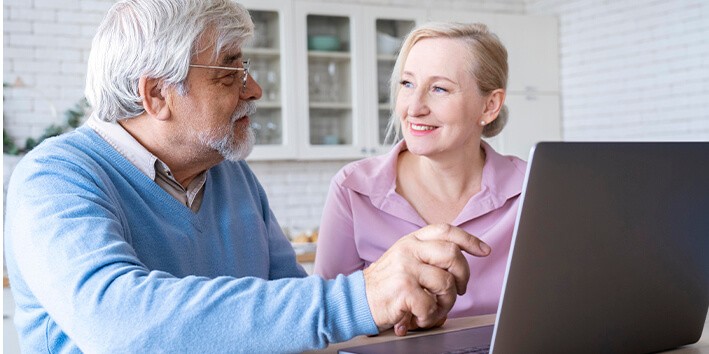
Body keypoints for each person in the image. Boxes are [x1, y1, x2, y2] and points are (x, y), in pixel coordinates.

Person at [3, 3, 493, 353]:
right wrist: (361, 296)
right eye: (228, 72)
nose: (253, 89)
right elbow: (118, 325)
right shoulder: (55, 178)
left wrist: (399, 310)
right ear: (156, 95)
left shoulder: (231, 176)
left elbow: (295, 317)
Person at [314, 22, 527, 318]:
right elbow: (326, 319)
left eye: (439, 88)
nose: (414, 107)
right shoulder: (353, 188)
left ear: (489, 106)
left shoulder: (532, 191)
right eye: (407, 84)